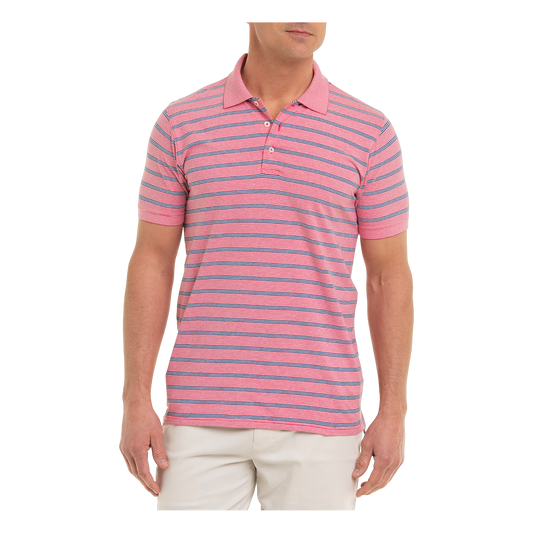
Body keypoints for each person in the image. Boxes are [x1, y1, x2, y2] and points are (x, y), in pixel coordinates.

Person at [117, 19, 415, 513]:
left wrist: (393, 414)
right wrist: (134, 401)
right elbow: (152, 258)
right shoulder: (179, 121)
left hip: (322, 414)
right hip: (198, 412)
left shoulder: (371, 131)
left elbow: (388, 277)